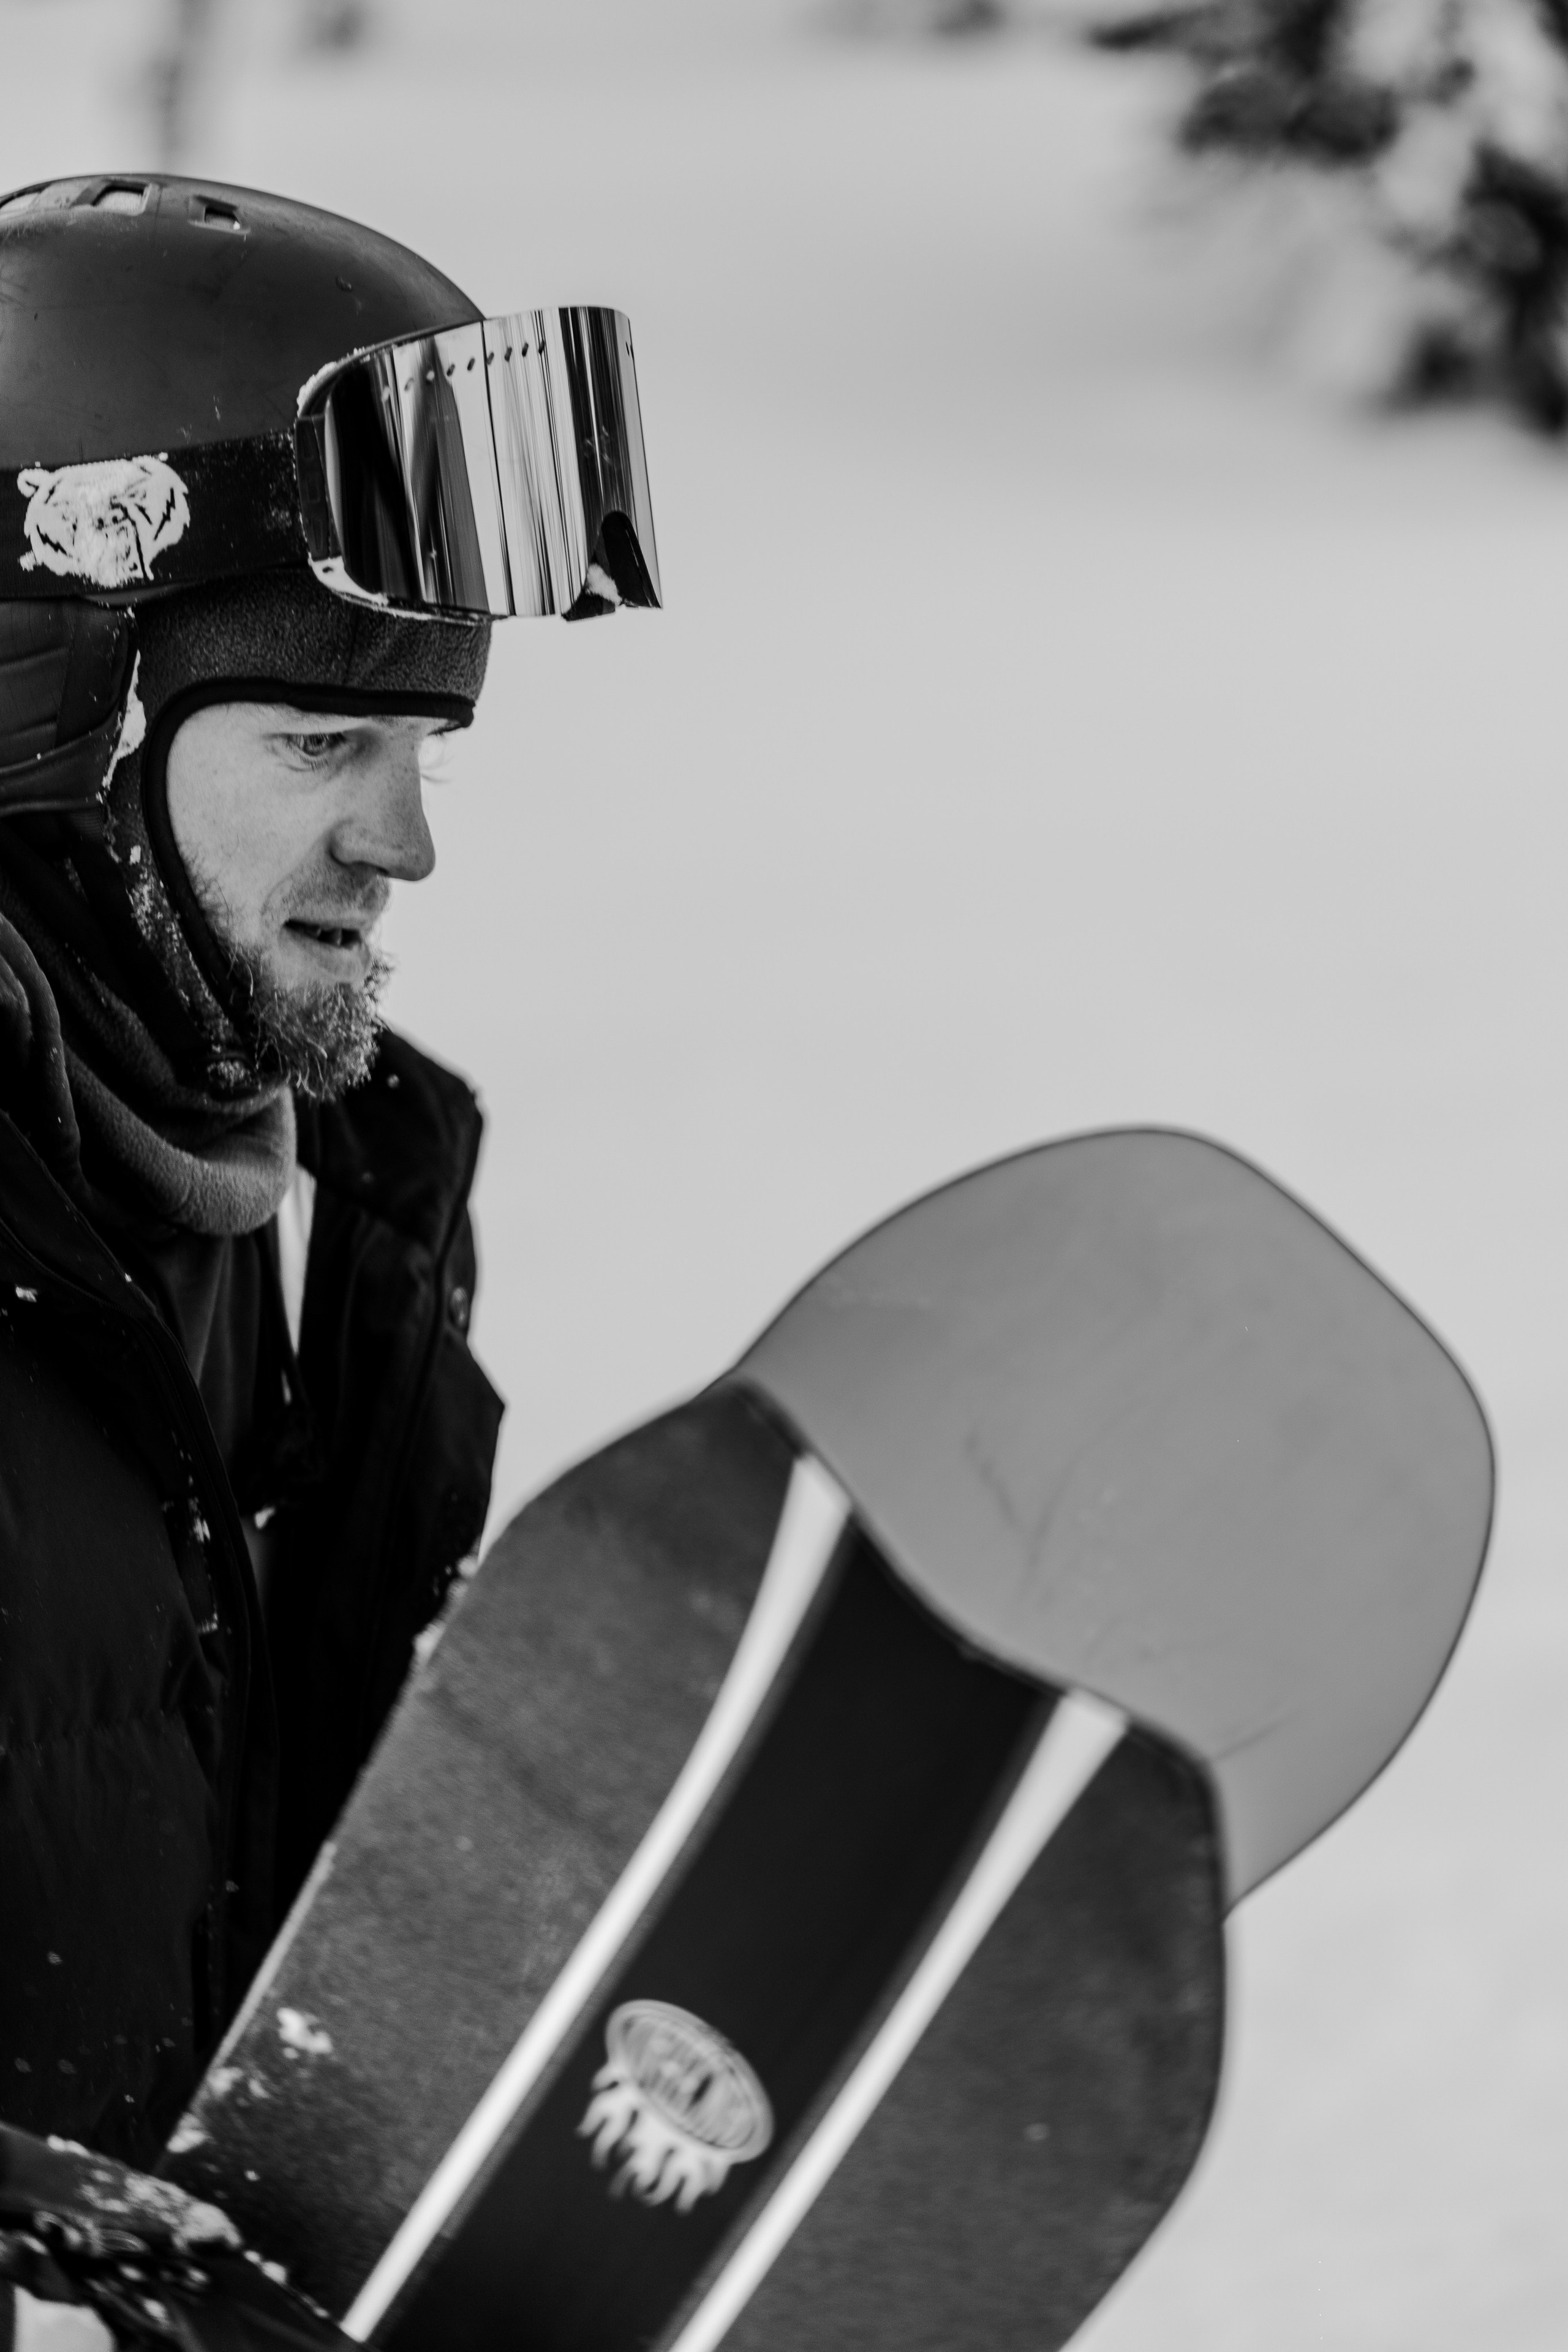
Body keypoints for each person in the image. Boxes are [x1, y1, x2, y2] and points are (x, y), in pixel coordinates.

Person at [0, 172, 659, 2345]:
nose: (404, 839)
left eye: (418, 742)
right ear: (57, 740)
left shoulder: (312, 1201)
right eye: (314, 741)